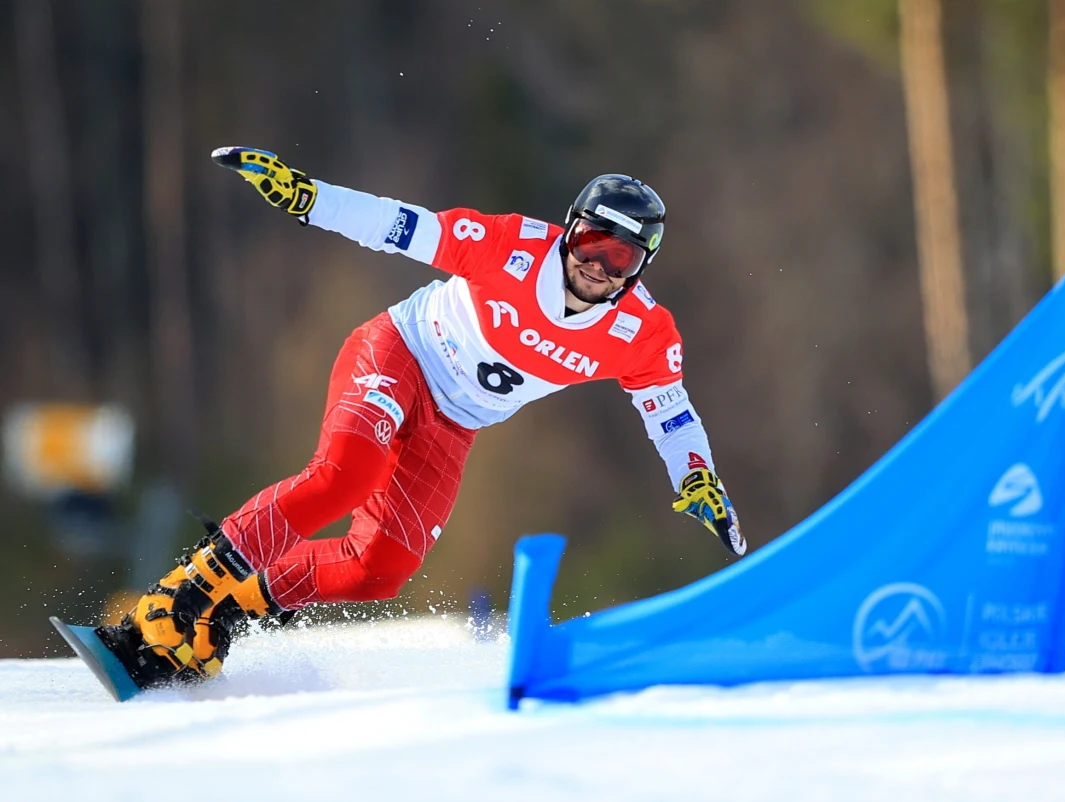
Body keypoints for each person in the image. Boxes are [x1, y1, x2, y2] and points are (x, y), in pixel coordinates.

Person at [97, 146, 746, 689]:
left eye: (620, 257)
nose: (595, 265)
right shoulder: (513, 247)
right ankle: (176, 597)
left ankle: (229, 611)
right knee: (344, 477)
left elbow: (669, 409)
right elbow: (403, 226)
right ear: (569, 227)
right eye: (590, 240)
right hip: (400, 355)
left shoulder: (642, 330)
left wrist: (697, 477)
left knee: (380, 568)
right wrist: (310, 199)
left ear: (641, 269)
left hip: (454, 422)